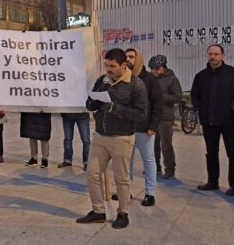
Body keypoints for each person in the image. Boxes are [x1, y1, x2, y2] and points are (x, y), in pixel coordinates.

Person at [77, 48, 147, 229]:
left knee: (121, 178)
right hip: (100, 136)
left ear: (124, 65)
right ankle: (98, 211)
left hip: (121, 138)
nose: (108, 69)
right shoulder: (102, 80)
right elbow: (89, 104)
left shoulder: (135, 84)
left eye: (113, 66)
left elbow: (140, 114)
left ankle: (123, 213)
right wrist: (94, 101)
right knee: (92, 173)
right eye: (106, 65)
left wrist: (113, 108)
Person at [192, 44, 234, 196]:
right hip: (209, 122)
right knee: (211, 152)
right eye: (210, 54)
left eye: (216, 54)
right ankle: (212, 182)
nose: (213, 57)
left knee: (232, 153)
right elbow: (195, 96)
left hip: (229, 121)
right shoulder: (201, 76)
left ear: (223, 56)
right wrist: (200, 108)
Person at [116, 48, 162, 207]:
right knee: (125, 160)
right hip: (125, 127)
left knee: (148, 159)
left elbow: (157, 104)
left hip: (144, 127)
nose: (128, 59)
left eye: (131, 56)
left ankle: (150, 193)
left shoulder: (149, 79)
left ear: (139, 58)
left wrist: (153, 125)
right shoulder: (121, 77)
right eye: (126, 56)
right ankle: (124, 190)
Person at [149, 54, 182, 179]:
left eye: (157, 68)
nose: (154, 71)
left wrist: (160, 97)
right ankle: (155, 167)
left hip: (165, 117)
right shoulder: (150, 78)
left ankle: (170, 169)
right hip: (152, 116)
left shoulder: (172, 79)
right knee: (152, 144)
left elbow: (177, 97)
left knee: (166, 144)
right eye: (152, 68)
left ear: (164, 67)